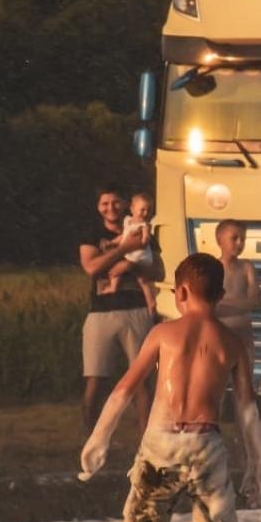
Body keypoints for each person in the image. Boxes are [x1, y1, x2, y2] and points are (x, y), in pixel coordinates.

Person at [78, 253, 261, 522]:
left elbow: (124, 389)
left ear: (180, 293)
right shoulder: (232, 343)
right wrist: (257, 464)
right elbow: (247, 410)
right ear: (220, 296)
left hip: (161, 443)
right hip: (206, 443)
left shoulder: (163, 334)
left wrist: (99, 437)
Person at [79, 184, 163, 433]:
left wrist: (130, 266)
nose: (110, 208)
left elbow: (158, 270)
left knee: (141, 380)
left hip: (137, 309)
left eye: (115, 202)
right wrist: (125, 250)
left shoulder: (143, 229)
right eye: (105, 203)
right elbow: (92, 267)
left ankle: (145, 443)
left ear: (125, 204)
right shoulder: (92, 234)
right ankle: (89, 438)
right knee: (95, 378)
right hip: (100, 312)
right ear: (98, 207)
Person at [214, 220, 261, 362]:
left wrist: (224, 302)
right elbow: (209, 305)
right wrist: (242, 304)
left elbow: (256, 302)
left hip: (243, 335)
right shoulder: (212, 268)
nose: (239, 243)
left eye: (243, 239)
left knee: (244, 378)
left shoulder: (247, 267)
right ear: (219, 240)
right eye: (234, 238)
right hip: (218, 335)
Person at [122, 192, 157, 270]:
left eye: (149, 210)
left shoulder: (145, 225)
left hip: (139, 255)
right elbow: (123, 235)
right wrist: (112, 242)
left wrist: (143, 241)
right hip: (128, 253)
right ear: (132, 209)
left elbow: (145, 239)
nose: (146, 213)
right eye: (142, 210)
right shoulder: (127, 220)